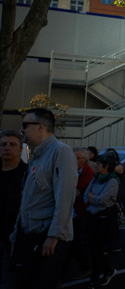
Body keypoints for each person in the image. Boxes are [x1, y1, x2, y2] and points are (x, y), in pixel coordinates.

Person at [2, 108, 77, 289]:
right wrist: (15, 236)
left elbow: (65, 197)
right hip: (29, 237)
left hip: (48, 240)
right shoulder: (36, 156)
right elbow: (27, 201)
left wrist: (53, 235)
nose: (22, 130)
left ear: (41, 127)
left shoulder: (61, 152)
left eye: (26, 125)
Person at [84, 151, 119, 288]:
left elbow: (101, 201)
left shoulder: (112, 181)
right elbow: (87, 196)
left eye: (99, 164)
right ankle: (109, 270)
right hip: (93, 217)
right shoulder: (96, 177)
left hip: (105, 220)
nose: (96, 165)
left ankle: (93, 280)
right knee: (93, 248)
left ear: (107, 166)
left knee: (97, 249)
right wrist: (94, 198)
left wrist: (93, 198)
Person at [61, 147, 95, 280]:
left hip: (80, 213)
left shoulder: (89, 173)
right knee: (73, 242)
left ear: (85, 160)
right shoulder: (69, 170)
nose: (74, 160)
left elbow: (80, 194)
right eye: (73, 157)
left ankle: (84, 267)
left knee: (74, 242)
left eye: (77, 158)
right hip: (69, 211)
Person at [0, 130, 28, 284]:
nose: (7, 148)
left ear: (20, 149)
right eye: (3, 144)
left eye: (12, 145)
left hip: (14, 240)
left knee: (10, 282)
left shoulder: (28, 175)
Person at [106, 148, 125, 253]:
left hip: (121, 196)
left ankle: (115, 244)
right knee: (110, 220)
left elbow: (117, 170)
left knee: (116, 219)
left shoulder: (119, 166)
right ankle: (111, 243)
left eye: (112, 154)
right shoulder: (106, 167)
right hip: (111, 196)